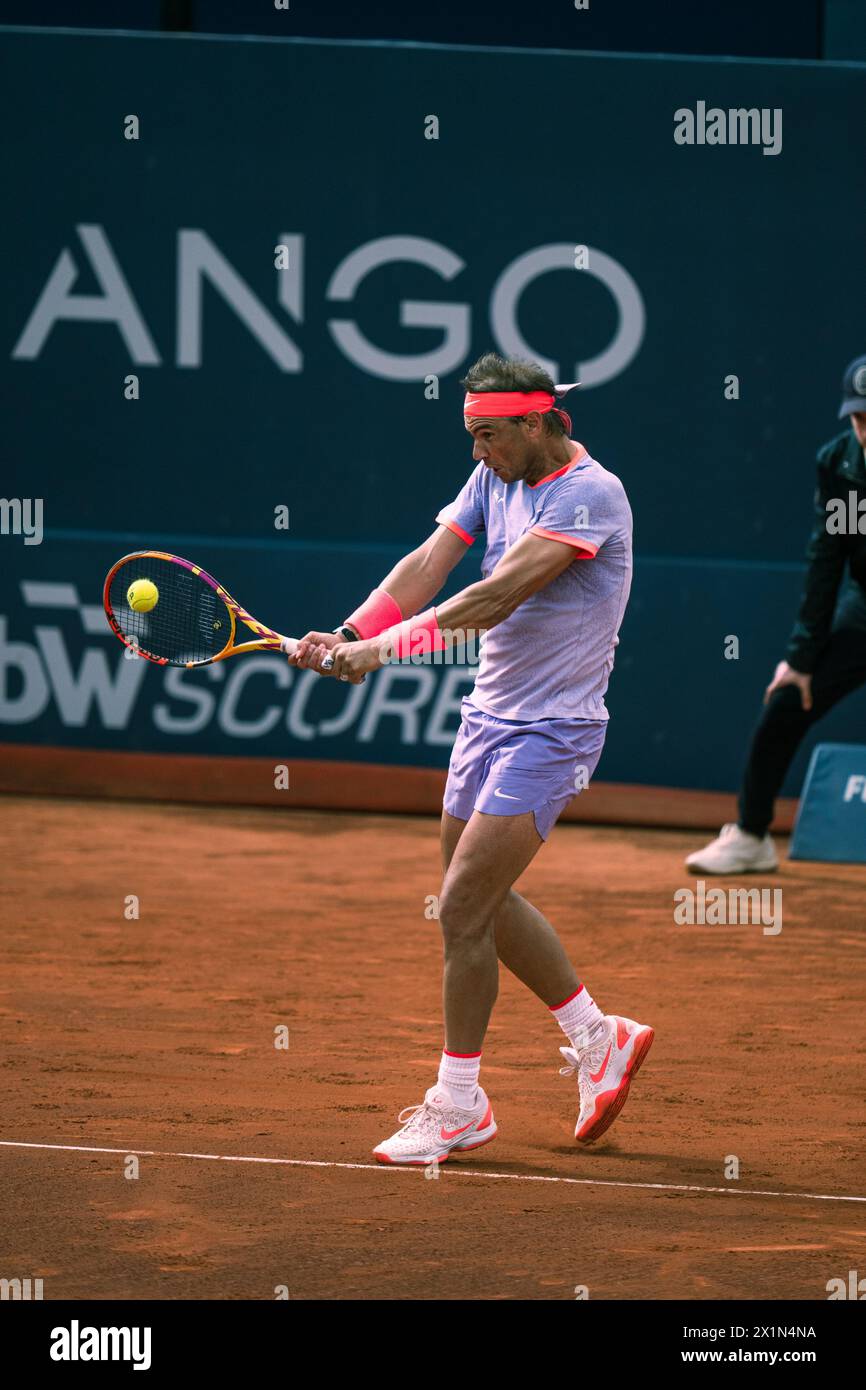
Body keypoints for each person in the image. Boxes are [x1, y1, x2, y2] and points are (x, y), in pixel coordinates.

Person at [289, 352, 653, 1164]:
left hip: (555, 730)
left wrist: (382, 655)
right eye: (470, 436)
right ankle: (599, 1039)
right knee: (475, 901)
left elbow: (494, 597)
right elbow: (428, 565)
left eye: (488, 435)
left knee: (459, 908)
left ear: (534, 423)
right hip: (485, 717)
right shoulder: (493, 479)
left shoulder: (593, 495)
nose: (477, 452)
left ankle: (459, 1104)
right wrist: (352, 633)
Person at [687, 354, 866, 874]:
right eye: (859, 419)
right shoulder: (842, 465)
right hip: (863, 608)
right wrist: (802, 658)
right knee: (788, 698)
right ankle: (751, 834)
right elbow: (828, 557)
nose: (865, 431)